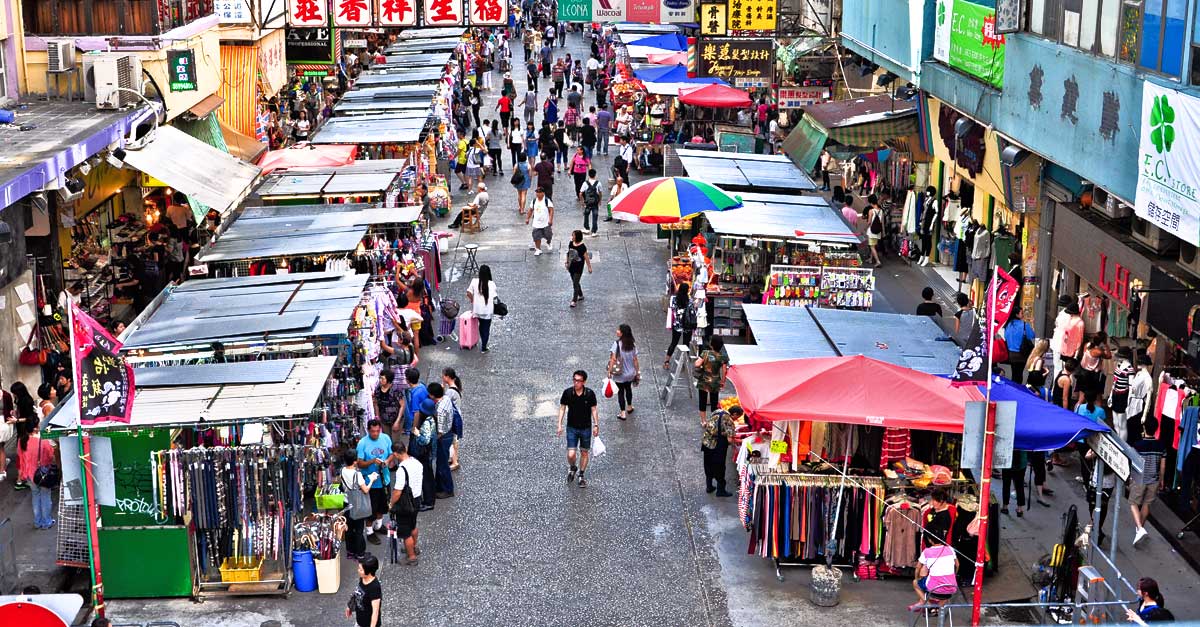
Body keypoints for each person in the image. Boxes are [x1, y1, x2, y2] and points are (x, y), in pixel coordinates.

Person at [557, 370, 599, 488]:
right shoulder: (568, 393)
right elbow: (562, 408)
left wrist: (596, 424)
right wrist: (559, 424)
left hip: (586, 428)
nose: (576, 383)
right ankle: (573, 466)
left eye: (579, 381)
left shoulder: (590, 394)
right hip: (572, 428)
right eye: (574, 380)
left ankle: (581, 475)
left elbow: (594, 409)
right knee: (571, 454)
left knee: (584, 452)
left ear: (584, 382)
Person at [1129, 416, 1166, 546]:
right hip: (1154, 479)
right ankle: (1139, 530)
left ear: (1144, 428)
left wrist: (1130, 477)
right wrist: (1161, 479)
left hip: (1139, 478)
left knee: (1133, 503)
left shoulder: (1138, 445)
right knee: (1146, 504)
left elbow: (1132, 463)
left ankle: (1139, 529)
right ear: (1156, 429)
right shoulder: (1161, 446)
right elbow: (1162, 465)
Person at [355, 420, 392, 545]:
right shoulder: (362, 443)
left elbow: (392, 454)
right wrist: (371, 461)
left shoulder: (386, 438)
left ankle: (378, 525)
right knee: (371, 509)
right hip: (370, 483)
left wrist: (386, 461)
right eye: (372, 431)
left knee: (383, 506)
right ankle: (370, 532)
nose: (375, 434)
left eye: (377, 431)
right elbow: (359, 463)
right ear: (368, 430)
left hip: (384, 480)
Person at [388, 441, 423, 565]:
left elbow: (397, 491)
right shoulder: (417, 463)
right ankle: (414, 547)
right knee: (413, 525)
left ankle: (411, 556)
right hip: (417, 499)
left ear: (396, 454)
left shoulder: (401, 470)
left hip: (405, 503)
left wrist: (391, 504)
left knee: (405, 531)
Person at [909, 530, 958, 612]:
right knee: (943, 590)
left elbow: (918, 568)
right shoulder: (950, 549)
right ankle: (937, 609)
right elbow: (957, 565)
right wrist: (954, 576)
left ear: (930, 540)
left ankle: (927, 603)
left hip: (934, 589)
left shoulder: (927, 552)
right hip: (951, 588)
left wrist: (917, 578)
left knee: (915, 583)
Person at [340, 450, 373, 559]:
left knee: (349, 528)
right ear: (355, 461)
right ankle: (360, 553)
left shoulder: (342, 471)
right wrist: (372, 480)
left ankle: (350, 551)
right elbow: (365, 490)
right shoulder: (357, 474)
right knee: (359, 530)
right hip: (357, 504)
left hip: (346, 503)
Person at [702, 404, 740, 497]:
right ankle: (721, 490)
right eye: (737, 417)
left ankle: (709, 486)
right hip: (717, 446)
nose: (736, 419)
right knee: (720, 467)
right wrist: (737, 440)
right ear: (734, 414)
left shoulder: (717, 411)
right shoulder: (729, 420)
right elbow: (729, 440)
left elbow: (711, 425)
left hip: (706, 442)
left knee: (708, 464)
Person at [427, 382, 457, 498]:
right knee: (441, 463)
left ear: (433, 395)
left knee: (443, 465)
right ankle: (439, 486)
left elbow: (439, 431)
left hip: (443, 437)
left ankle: (448, 490)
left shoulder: (439, 410)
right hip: (448, 433)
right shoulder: (446, 399)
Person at [607, 324, 640, 420]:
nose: (617, 331)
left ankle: (622, 413)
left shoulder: (616, 344)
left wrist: (609, 371)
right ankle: (629, 407)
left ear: (622, 333)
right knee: (628, 389)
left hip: (620, 374)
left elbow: (613, 359)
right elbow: (635, 359)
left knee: (620, 392)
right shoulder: (632, 344)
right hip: (630, 373)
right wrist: (637, 372)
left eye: (618, 330)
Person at [694, 337, 729, 422]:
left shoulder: (705, 353)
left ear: (711, 345)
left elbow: (697, 364)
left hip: (704, 380)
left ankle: (703, 421)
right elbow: (724, 371)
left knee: (702, 400)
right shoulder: (723, 357)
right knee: (714, 402)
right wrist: (723, 382)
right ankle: (713, 421)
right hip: (715, 381)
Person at [9, 383, 36, 490]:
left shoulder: (26, 401)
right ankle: (21, 479)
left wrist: (17, 420)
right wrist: (15, 413)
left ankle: (21, 479)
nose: (14, 395)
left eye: (14, 393)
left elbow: (30, 417)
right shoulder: (21, 399)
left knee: (23, 454)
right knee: (23, 454)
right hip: (22, 430)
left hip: (25, 429)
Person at [466, 265, 497, 353]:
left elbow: (468, 292)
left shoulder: (474, 281)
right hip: (488, 311)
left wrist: (472, 300)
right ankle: (484, 346)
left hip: (477, 310)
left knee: (481, 325)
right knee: (486, 328)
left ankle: (482, 340)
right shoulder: (492, 284)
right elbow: (495, 297)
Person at [665, 283, 697, 368]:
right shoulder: (689, 301)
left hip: (677, 325)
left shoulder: (674, 299)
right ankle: (683, 363)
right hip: (687, 326)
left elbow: (671, 308)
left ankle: (667, 361)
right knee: (686, 344)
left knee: (673, 343)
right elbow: (693, 312)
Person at [346, 554, 382, 627]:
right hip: (360, 621)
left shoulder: (374, 588)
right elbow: (357, 593)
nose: (358, 570)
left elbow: (375, 611)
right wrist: (350, 606)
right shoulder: (363, 578)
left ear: (369, 572)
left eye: (361, 569)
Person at [1003, 308, 1036, 384]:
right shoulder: (1024, 324)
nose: (1023, 314)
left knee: (1014, 373)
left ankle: (1013, 388)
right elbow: (1032, 335)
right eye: (1022, 313)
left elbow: (1006, 336)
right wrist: (1032, 324)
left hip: (1011, 353)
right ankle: (1017, 390)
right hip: (1022, 353)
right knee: (1019, 374)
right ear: (1017, 315)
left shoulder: (1008, 325)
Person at [1126, 354, 1154, 442]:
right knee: (1128, 424)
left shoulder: (1148, 378)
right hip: (1131, 402)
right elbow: (1131, 390)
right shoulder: (1138, 374)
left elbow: (1149, 398)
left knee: (1134, 427)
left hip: (1139, 404)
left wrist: (1144, 415)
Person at [373, 369, 405, 435]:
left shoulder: (396, 390)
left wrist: (397, 421)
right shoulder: (378, 389)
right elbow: (376, 403)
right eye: (380, 378)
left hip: (395, 419)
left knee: (395, 443)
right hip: (384, 421)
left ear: (388, 380)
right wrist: (377, 416)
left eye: (383, 379)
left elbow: (402, 405)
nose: (380, 380)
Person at [566, 230, 592, 307]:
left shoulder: (582, 247)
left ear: (577, 237)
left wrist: (589, 267)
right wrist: (567, 262)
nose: (572, 237)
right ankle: (580, 295)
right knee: (575, 282)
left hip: (578, 268)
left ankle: (574, 300)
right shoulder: (571, 243)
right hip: (571, 267)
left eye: (573, 235)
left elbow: (586, 257)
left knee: (575, 283)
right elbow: (569, 253)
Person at [527, 186, 555, 255]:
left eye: (539, 192)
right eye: (537, 192)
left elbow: (551, 210)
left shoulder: (547, 200)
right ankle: (538, 249)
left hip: (545, 223)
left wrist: (550, 219)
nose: (537, 194)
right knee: (536, 236)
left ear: (543, 193)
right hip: (536, 223)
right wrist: (527, 218)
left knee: (548, 235)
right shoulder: (534, 201)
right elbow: (530, 210)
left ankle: (548, 242)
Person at [1000, 450, 1027, 517]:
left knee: (1006, 484)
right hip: (1021, 461)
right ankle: (1019, 509)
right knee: (1020, 485)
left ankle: (1005, 507)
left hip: (1008, 459)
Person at [580, 168, 602, 236]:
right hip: (595, 203)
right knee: (595, 216)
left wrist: (582, 202)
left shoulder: (585, 183)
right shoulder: (598, 183)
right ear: (595, 175)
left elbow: (580, 193)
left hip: (588, 203)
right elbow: (600, 193)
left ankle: (587, 228)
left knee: (586, 215)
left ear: (588, 175)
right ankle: (594, 231)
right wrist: (600, 200)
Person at [864, 195, 884, 267]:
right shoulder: (881, 210)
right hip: (878, 231)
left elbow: (869, 222)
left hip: (871, 231)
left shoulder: (871, 211)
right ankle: (870, 259)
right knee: (874, 245)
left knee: (872, 246)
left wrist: (865, 228)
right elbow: (881, 222)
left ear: (871, 202)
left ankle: (878, 261)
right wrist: (883, 232)